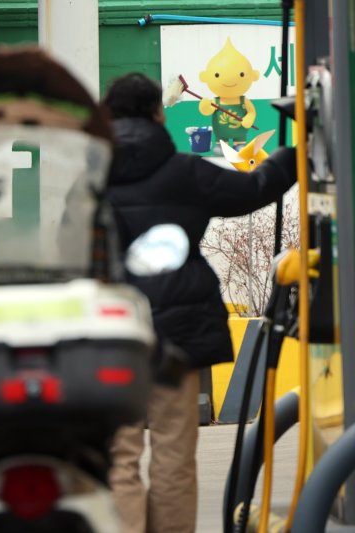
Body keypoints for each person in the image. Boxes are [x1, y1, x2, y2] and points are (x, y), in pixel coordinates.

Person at [102, 72, 297, 533]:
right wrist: (296, 149)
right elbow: (253, 190)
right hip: (178, 332)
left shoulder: (90, 176)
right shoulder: (184, 172)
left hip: (112, 332)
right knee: (173, 452)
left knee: (118, 456)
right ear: (158, 113)